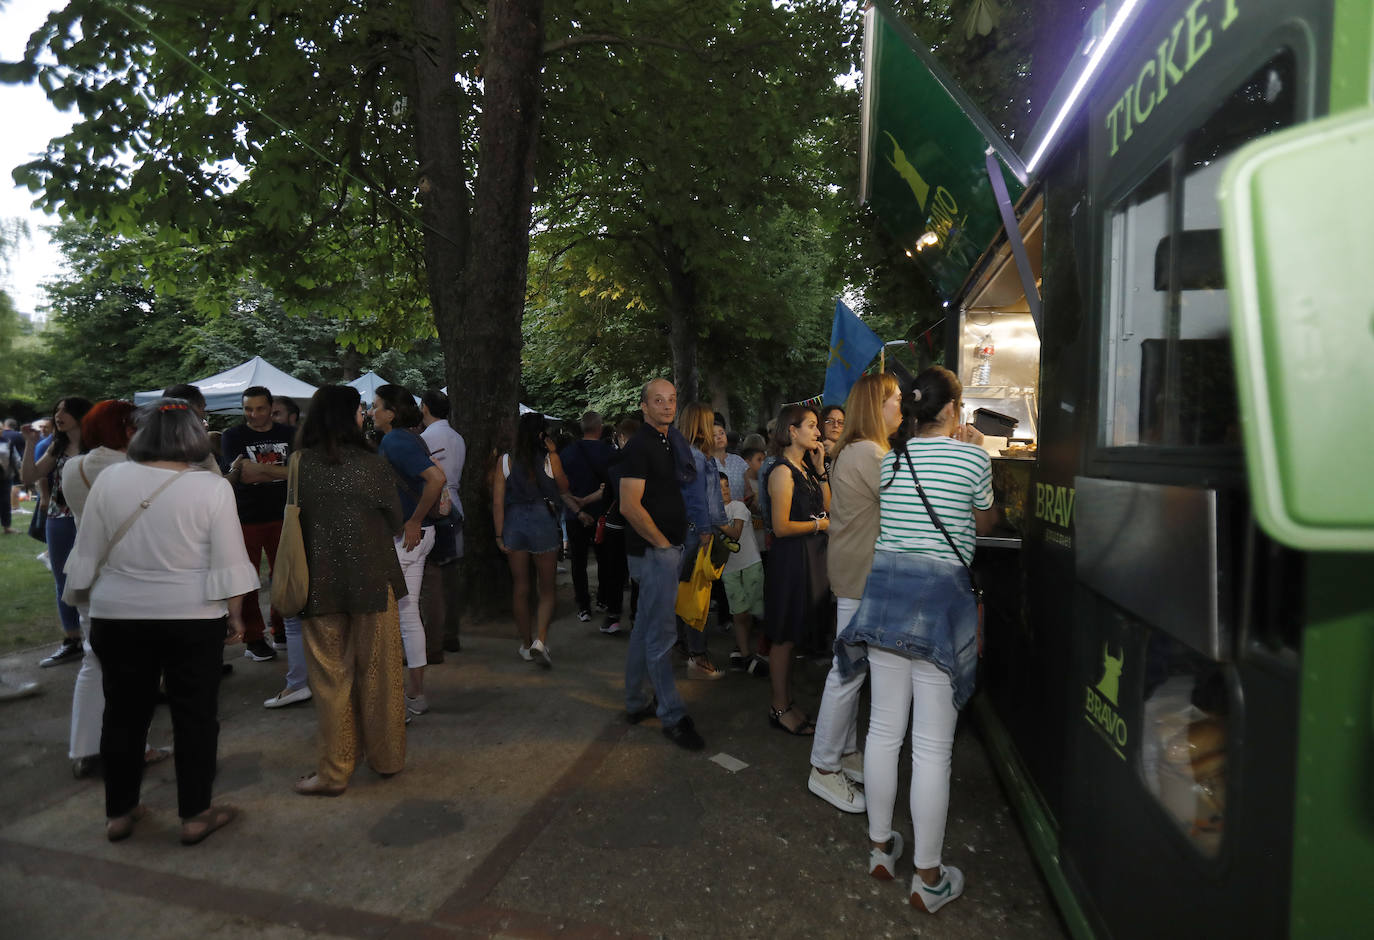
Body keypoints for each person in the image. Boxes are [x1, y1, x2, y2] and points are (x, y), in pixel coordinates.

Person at [63, 398, 258, 845]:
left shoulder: (110, 480)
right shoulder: (211, 488)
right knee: (196, 717)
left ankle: (120, 810)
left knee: (124, 714)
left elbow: (88, 549)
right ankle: (194, 813)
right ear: (193, 436)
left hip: (117, 615)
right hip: (191, 616)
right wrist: (235, 616)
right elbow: (229, 560)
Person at [836, 366, 995, 913]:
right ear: (951, 409)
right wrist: (977, 449)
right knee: (931, 747)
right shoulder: (973, 456)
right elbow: (988, 520)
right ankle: (928, 876)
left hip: (886, 598)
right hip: (939, 604)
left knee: (882, 728)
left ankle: (881, 849)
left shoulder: (893, 460)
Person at [292, 386, 408, 795]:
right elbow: (396, 519)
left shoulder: (298, 464)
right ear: (349, 417)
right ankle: (388, 757)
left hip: (317, 583)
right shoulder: (373, 465)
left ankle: (335, 771)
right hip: (374, 581)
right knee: (381, 673)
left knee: (330, 678)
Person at [807, 373, 903, 814]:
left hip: (856, 574)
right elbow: (910, 506)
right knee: (846, 673)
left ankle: (843, 754)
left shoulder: (861, 449)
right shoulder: (869, 452)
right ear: (876, 405)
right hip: (861, 577)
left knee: (852, 671)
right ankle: (824, 767)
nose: (902, 406)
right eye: (896, 399)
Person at [61, 400, 172, 778]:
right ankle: (132, 749)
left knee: (94, 662)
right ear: (126, 429)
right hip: (129, 576)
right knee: (134, 671)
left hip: (87, 574)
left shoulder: (72, 467)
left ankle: (84, 749)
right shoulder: (133, 470)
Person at [619, 379, 703, 750]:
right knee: (662, 634)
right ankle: (672, 714)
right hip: (656, 552)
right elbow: (629, 505)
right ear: (644, 406)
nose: (667, 406)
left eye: (671, 399)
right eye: (658, 400)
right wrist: (664, 544)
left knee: (645, 630)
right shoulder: (639, 446)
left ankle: (636, 701)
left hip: (667, 548)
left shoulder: (670, 441)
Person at [370, 384, 445, 717]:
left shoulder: (397, 440)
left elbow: (436, 478)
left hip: (408, 537)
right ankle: (415, 693)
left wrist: (413, 520)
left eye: (376, 406)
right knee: (408, 611)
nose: (371, 412)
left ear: (391, 412)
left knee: (398, 613)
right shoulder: (406, 438)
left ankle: (408, 693)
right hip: (417, 535)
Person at [762, 404, 831, 734]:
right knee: (784, 636)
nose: (818, 432)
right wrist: (818, 527)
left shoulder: (804, 468)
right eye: (812, 426)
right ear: (792, 430)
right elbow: (781, 527)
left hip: (808, 560)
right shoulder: (782, 471)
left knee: (793, 637)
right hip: (790, 562)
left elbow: (827, 508)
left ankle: (786, 702)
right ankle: (779, 707)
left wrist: (821, 470)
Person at [492, 412, 579, 667]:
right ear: (543, 434)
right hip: (543, 520)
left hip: (514, 522)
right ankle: (541, 639)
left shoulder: (505, 460)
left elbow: (498, 501)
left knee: (520, 588)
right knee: (547, 588)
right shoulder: (551, 459)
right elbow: (564, 487)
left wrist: (499, 534)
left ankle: (526, 642)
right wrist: (553, 453)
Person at [221, 385, 294, 662]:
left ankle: (282, 628)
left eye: (260, 408)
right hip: (246, 517)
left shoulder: (288, 434)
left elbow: (299, 472)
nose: (253, 414)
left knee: (284, 575)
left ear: (270, 407)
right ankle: (253, 637)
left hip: (284, 515)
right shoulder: (233, 435)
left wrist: (258, 470)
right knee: (247, 579)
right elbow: (241, 476)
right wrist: (281, 472)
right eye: (248, 409)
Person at [22, 396, 94, 668]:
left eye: (64, 410)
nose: (58, 415)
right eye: (56, 410)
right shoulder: (56, 445)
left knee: (95, 576)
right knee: (62, 578)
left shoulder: (98, 445)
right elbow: (28, 477)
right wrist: (30, 444)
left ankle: (99, 635)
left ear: (80, 414)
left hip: (91, 518)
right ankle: (72, 639)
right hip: (60, 518)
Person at [674, 402, 727, 680]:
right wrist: (709, 531)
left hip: (683, 532)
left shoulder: (681, 453)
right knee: (697, 596)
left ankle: (684, 646)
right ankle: (698, 654)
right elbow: (699, 499)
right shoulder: (697, 457)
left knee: (683, 592)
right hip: (697, 533)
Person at [419, 389, 466, 655]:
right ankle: (451, 633)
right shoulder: (457, 437)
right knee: (450, 578)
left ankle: (434, 638)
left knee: (433, 579)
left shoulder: (426, 438)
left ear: (425, 407)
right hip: (456, 506)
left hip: (438, 508)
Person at [559, 411, 612, 625]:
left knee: (578, 562)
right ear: (600, 428)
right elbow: (612, 486)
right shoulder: (609, 452)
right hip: (602, 514)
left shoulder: (567, 454)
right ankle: (603, 598)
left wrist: (578, 509)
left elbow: (561, 487)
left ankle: (583, 605)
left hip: (574, 515)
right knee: (605, 559)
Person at [718, 472, 767, 677]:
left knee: (758, 612)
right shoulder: (713, 512)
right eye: (719, 488)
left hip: (751, 565)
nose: (725, 490)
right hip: (729, 570)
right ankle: (745, 654)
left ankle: (762, 650)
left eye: (727, 486)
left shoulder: (738, 507)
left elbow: (735, 533)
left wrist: (714, 521)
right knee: (739, 613)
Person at [821, 404, 846, 470]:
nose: (836, 425)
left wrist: (835, 453)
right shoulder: (813, 451)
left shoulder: (850, 450)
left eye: (840, 422)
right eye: (830, 421)